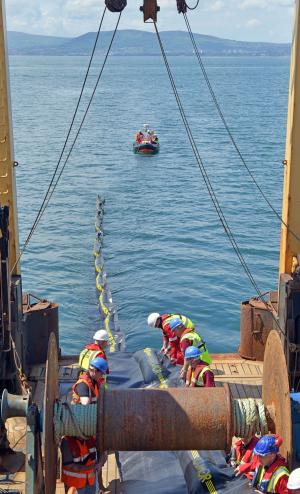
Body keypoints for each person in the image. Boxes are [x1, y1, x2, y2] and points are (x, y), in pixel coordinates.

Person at [61, 358, 108, 493]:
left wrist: (100, 461)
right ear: (93, 371)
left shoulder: (94, 383)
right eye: (101, 374)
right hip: (75, 486)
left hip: (89, 483)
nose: (102, 377)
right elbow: (85, 404)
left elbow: (101, 455)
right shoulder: (83, 385)